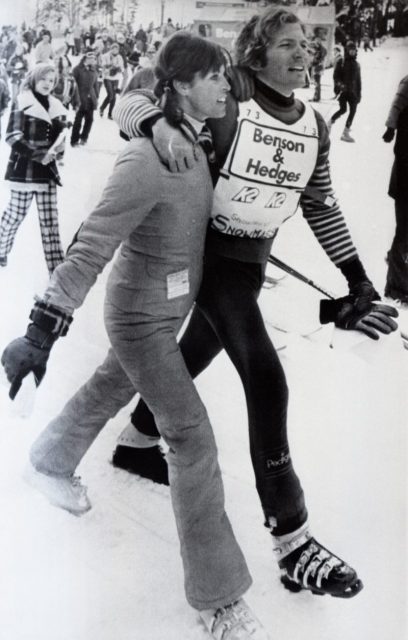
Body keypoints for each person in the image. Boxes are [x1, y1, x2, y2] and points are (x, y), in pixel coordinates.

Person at [111, 5, 398, 599]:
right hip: (204, 254)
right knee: (267, 380)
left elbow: (320, 205)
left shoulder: (313, 123)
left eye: (308, 46)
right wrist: (156, 124)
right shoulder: (229, 87)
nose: (304, 54)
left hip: (250, 260)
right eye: (289, 44)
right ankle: (293, 540)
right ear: (257, 50)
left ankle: (138, 437)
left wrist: (359, 281)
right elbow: (131, 97)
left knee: (202, 347)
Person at [1, 32, 269, 640]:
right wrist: (41, 331)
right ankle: (219, 598)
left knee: (110, 385)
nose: (226, 86)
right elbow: (91, 242)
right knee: (192, 437)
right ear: (178, 85)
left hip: (164, 307)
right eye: (213, 77)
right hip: (140, 317)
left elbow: (142, 101)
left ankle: (48, 461)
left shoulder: (194, 140)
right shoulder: (148, 157)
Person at [0, 63, 68, 273]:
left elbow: (60, 136)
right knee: (15, 214)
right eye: (43, 79)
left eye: (51, 80)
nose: (47, 84)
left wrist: (59, 149)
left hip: (47, 171)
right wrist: (40, 155)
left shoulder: (56, 105)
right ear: (34, 79)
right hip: (24, 169)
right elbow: (12, 136)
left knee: (50, 221)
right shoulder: (23, 101)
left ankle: (56, 269)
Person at [383, 74, 408, 305]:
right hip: (405, 180)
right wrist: (390, 127)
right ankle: (396, 288)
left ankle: (396, 263)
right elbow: (397, 103)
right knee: (405, 232)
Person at [328, 40, 361, 142]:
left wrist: (359, 93)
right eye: (350, 50)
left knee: (353, 111)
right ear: (347, 50)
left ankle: (345, 133)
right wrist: (341, 85)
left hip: (353, 92)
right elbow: (336, 76)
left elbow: (359, 80)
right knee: (343, 110)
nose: (352, 52)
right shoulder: (341, 62)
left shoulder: (356, 64)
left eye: (354, 50)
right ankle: (329, 122)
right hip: (343, 92)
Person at [70, 50, 99, 147]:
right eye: (90, 58)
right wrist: (74, 100)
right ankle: (74, 141)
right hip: (80, 98)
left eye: (94, 58)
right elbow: (73, 85)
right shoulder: (77, 69)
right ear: (85, 58)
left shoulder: (94, 70)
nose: (93, 60)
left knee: (90, 119)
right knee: (78, 120)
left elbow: (96, 86)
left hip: (91, 99)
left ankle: (84, 138)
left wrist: (96, 97)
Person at [99, 42, 124, 119]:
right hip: (107, 77)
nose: (115, 50)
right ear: (111, 49)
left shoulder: (120, 57)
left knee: (114, 97)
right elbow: (103, 66)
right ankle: (102, 108)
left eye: (116, 49)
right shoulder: (106, 56)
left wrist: (119, 68)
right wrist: (110, 66)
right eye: (113, 49)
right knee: (110, 95)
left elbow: (122, 68)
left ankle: (110, 114)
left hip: (116, 78)